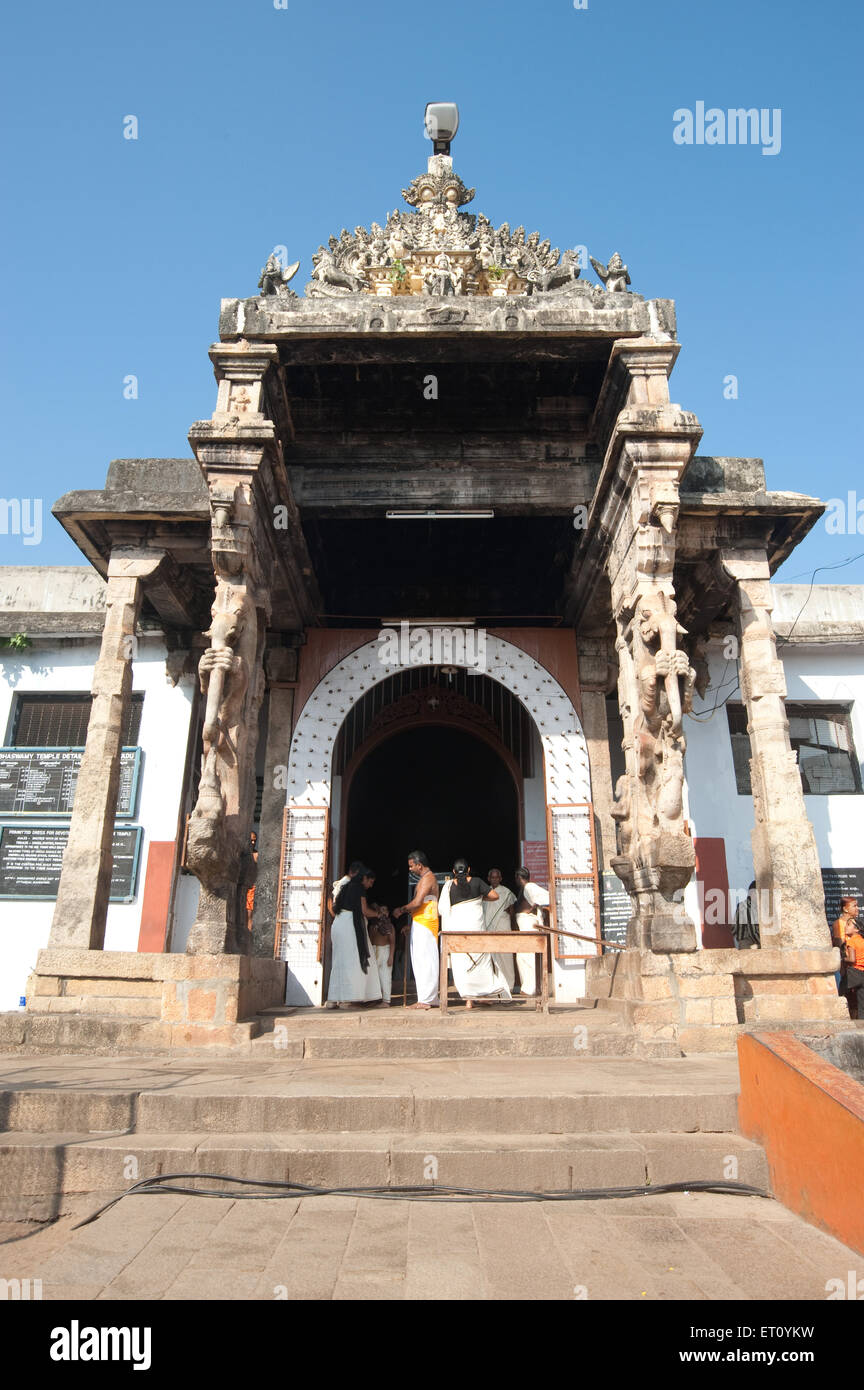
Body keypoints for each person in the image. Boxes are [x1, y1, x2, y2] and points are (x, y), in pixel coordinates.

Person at [439, 858, 510, 1008]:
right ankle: (483, 996)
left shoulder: (448, 886)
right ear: (469, 870)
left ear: (453, 871)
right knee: (480, 962)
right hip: (475, 929)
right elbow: (495, 896)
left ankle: (469, 1000)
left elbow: (442, 909)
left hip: (458, 931)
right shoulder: (477, 882)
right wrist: (480, 898)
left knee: (463, 963)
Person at [327, 867, 383, 1008]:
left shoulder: (343, 886)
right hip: (350, 926)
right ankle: (347, 1000)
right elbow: (364, 910)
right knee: (352, 962)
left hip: (338, 923)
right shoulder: (358, 888)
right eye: (370, 882)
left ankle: (332, 999)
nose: (370, 885)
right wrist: (378, 914)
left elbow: (331, 906)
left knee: (338, 961)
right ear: (364, 878)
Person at [394, 851, 440, 1010]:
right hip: (421, 922)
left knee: (425, 960)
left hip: (426, 923)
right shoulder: (425, 878)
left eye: (411, 866)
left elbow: (417, 902)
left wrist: (401, 910)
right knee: (422, 960)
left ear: (419, 865)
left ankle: (426, 1000)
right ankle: (429, 998)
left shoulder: (428, 878)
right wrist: (411, 924)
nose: (410, 869)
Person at [512, 867, 550, 997]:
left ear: (518, 877)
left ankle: (532, 988)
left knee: (528, 956)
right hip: (523, 925)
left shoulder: (530, 887)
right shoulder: (525, 888)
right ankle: (527, 987)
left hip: (528, 924)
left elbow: (547, 897)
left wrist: (534, 905)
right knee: (522, 957)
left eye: (516, 878)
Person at [482, 867, 517, 993]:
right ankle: (496, 986)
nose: (495, 879)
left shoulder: (507, 892)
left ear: (500, 879)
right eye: (492, 877)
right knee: (491, 958)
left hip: (503, 926)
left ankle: (509, 986)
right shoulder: (485, 892)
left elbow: (512, 911)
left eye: (497, 877)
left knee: (506, 956)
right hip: (488, 928)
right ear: (488, 879)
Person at [368, 901, 396, 1006]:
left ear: (388, 913)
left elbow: (392, 942)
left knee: (385, 976)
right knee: (374, 977)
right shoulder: (372, 926)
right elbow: (370, 941)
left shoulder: (390, 927)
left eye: (385, 910)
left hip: (385, 951)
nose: (383, 912)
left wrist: (391, 956)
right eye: (381, 910)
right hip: (374, 951)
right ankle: (375, 999)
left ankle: (386, 1001)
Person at [831, 896, 858, 998]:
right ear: (845, 909)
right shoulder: (839, 924)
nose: (857, 908)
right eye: (854, 906)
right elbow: (841, 947)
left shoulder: (856, 923)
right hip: (847, 965)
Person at [843, 915, 864, 1020]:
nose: (845, 927)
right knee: (862, 1005)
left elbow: (852, 959)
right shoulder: (862, 940)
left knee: (839, 992)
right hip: (863, 974)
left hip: (854, 973)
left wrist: (842, 958)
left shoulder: (852, 940)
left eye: (848, 925)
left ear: (856, 929)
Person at [732, 881, 761, 949]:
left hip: (754, 941)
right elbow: (752, 931)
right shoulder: (745, 906)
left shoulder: (757, 906)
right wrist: (764, 943)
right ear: (751, 893)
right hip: (747, 942)